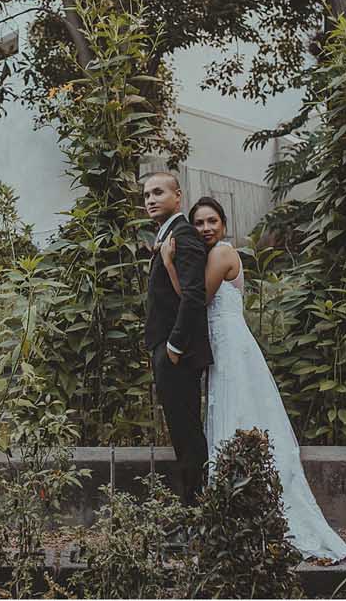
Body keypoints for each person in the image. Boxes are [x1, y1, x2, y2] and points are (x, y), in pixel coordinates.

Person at [161, 195, 346, 562]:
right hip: (224, 348)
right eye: (199, 223)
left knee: (238, 415)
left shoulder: (221, 254)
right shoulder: (212, 254)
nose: (205, 228)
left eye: (212, 221)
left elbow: (195, 299)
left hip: (231, 349)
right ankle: (234, 511)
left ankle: (244, 510)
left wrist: (169, 263)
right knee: (233, 416)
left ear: (224, 224)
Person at [140, 170, 211, 507]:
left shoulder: (184, 236)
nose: (150, 200)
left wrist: (174, 346)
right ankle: (194, 507)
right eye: (146, 195)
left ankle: (196, 508)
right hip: (167, 350)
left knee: (187, 434)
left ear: (178, 196)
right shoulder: (168, 236)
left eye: (158, 192)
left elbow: (194, 296)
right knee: (182, 434)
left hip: (177, 354)